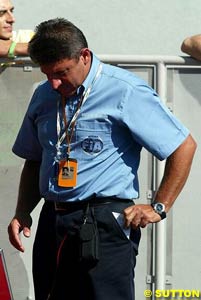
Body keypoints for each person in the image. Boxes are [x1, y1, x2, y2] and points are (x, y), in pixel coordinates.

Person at [7, 18, 196, 300]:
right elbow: (35, 158)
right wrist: (23, 210)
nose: (54, 83)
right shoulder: (43, 94)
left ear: (84, 56)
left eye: (61, 72)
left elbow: (183, 145)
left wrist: (159, 205)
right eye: (47, 74)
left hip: (103, 222)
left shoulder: (124, 90)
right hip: (53, 219)